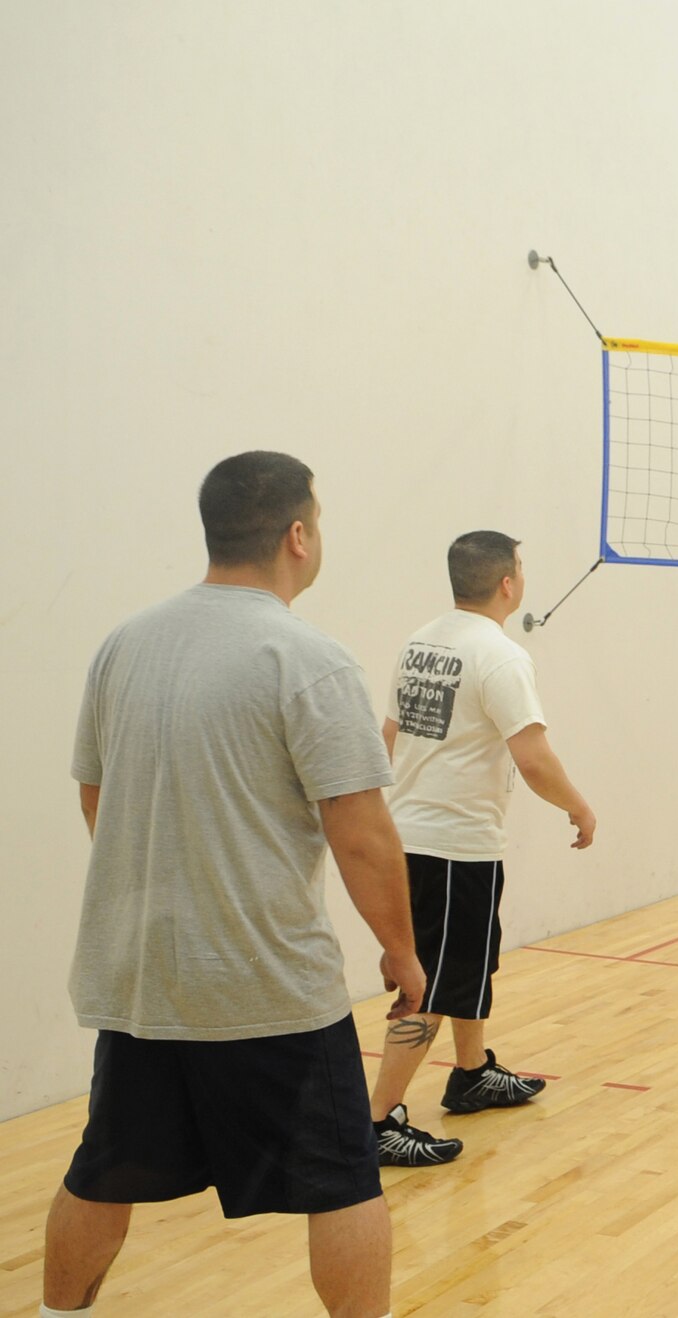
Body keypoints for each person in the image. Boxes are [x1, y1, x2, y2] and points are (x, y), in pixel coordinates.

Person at [48, 451, 423, 1318]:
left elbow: (94, 791)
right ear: (298, 535)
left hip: (139, 978)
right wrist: (401, 951)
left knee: (104, 1173)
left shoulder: (125, 644)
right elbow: (362, 838)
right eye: (317, 522)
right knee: (342, 1183)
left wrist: (166, 881)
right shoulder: (308, 658)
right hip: (268, 989)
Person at [368, 532, 597, 1165]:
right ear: (507, 584)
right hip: (451, 851)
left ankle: (471, 1075)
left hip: (416, 840)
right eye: (520, 567)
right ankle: (377, 1122)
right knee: (433, 986)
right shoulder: (500, 657)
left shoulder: (421, 642)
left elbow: (386, 734)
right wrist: (578, 806)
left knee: (465, 964)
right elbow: (533, 757)